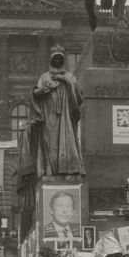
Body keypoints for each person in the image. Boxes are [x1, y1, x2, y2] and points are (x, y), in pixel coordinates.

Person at [31, 45, 85, 177]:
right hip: (49, 114)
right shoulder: (44, 77)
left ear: (63, 61)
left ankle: (69, 169)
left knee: (67, 141)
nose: (58, 61)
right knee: (50, 142)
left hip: (65, 115)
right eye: (55, 59)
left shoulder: (69, 76)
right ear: (51, 60)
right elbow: (36, 92)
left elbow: (78, 94)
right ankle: (50, 170)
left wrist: (64, 80)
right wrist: (39, 92)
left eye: (60, 59)